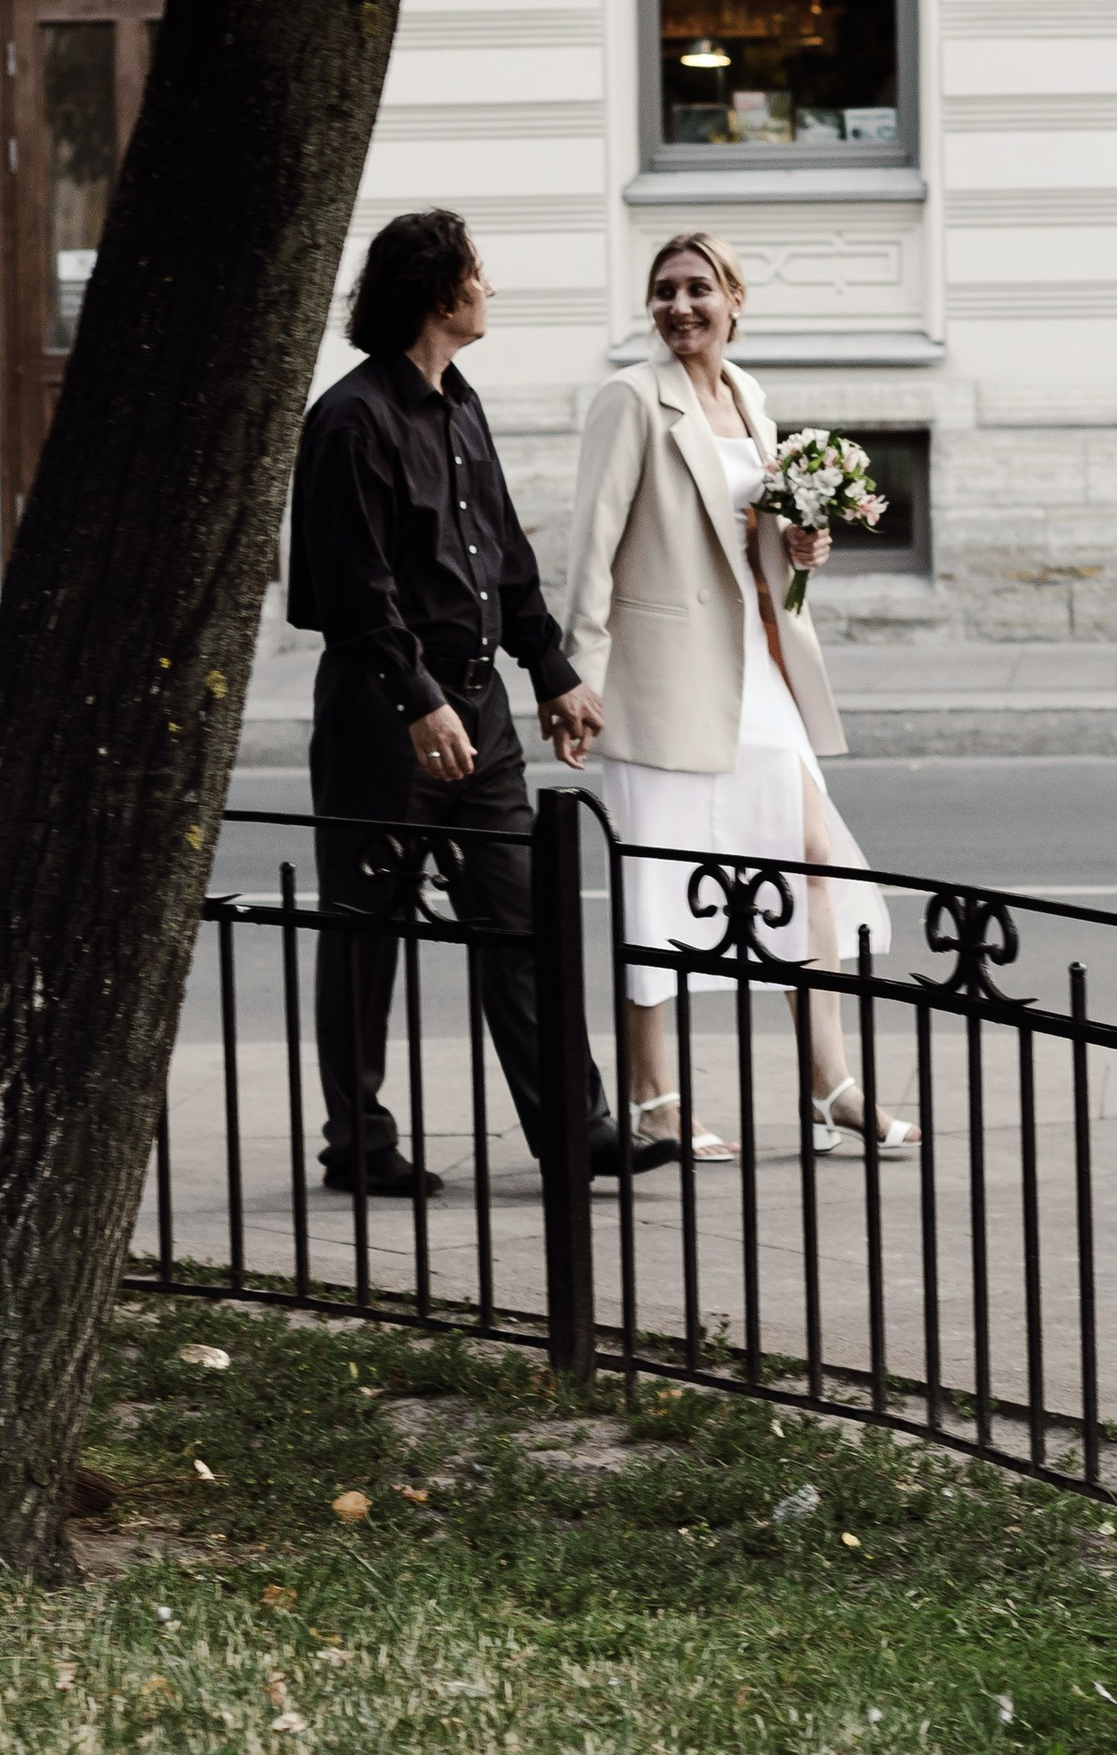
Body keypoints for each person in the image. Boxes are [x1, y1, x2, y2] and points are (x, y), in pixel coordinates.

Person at [287, 209, 678, 1195]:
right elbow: (354, 585)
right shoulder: (350, 419)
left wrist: (551, 675)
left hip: (482, 711)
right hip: (384, 720)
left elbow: (504, 557)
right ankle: (359, 1146)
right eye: (478, 273)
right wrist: (416, 701)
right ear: (439, 292)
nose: (490, 288)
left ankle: (574, 1131)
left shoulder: (460, 404)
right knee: (364, 929)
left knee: (522, 921)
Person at [557, 229, 912, 1163]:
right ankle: (654, 1098)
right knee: (658, 878)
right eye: (664, 291)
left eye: (698, 289)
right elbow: (590, 549)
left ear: (735, 299)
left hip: (758, 670)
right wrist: (576, 682)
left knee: (810, 858)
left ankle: (830, 1085)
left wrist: (802, 549)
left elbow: (755, 533)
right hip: (661, 680)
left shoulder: (749, 395)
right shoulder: (630, 402)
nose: (679, 307)